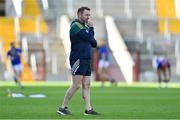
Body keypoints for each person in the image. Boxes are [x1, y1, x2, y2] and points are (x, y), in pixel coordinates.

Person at [57, 7, 100, 115]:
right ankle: (63, 107)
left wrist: (90, 32)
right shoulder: (75, 26)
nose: (88, 17)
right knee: (76, 85)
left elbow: (94, 43)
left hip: (86, 58)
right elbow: (89, 38)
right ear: (79, 15)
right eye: (86, 15)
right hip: (78, 58)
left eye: (89, 15)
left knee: (87, 84)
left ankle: (88, 109)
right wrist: (91, 29)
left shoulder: (85, 27)